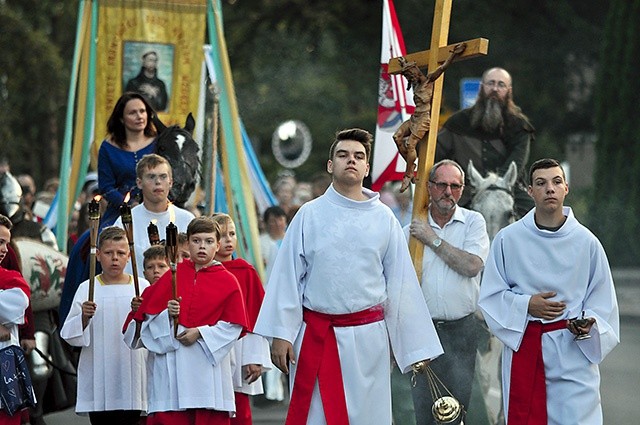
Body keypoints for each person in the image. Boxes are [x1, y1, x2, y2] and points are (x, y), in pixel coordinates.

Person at [253, 128, 443, 424]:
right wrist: (281, 333)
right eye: (342, 155)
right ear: (331, 165)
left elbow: (400, 282)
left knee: (369, 417)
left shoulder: (384, 218)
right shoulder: (308, 215)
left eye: (358, 156)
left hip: (369, 341)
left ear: (367, 167)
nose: (350, 161)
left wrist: (410, 343)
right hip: (316, 333)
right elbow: (288, 277)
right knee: (318, 416)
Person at [478, 158, 619, 425]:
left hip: (573, 354)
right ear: (530, 191)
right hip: (527, 348)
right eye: (541, 183)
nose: (549, 189)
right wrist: (526, 305)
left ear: (567, 188)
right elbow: (490, 296)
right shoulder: (509, 239)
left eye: (556, 182)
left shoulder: (587, 242)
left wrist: (589, 324)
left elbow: (603, 301)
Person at [131, 216, 248, 424]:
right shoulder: (171, 276)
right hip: (172, 373)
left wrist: (200, 333)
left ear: (217, 245)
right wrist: (167, 315)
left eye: (209, 241)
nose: (202, 246)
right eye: (196, 241)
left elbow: (234, 326)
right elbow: (144, 321)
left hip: (207, 373)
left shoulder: (228, 281)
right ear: (188, 243)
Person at [406, 159, 490, 424]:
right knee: (422, 409)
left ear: (462, 190)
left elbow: (472, 265)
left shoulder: (473, 222)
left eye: (455, 186)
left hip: (461, 332)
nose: (448, 192)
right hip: (422, 332)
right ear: (429, 187)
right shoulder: (410, 230)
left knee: (458, 409)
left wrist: (432, 239)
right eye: (441, 184)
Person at [60, 226, 149, 425]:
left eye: (120, 253)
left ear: (130, 256)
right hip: (98, 368)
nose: (115, 258)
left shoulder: (141, 287)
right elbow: (69, 332)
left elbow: (154, 330)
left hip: (131, 369)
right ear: (98, 255)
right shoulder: (88, 288)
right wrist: (83, 317)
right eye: (109, 253)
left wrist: (141, 312)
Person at [437, 67, 535, 217]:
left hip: (508, 188)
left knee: (537, 217)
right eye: (491, 83)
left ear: (509, 90)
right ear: (482, 87)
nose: (495, 89)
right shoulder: (459, 122)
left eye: (501, 85)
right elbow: (435, 154)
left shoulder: (519, 126)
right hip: (465, 191)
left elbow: (517, 160)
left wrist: (496, 184)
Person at [212, 213, 270, 425]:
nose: (228, 240)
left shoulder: (245, 272)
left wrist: (254, 357)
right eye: (221, 235)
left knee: (240, 410)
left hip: (239, 346)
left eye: (232, 234)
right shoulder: (203, 271)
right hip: (210, 347)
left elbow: (256, 316)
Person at [392, 43, 466, 192]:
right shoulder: (416, 85)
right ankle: (410, 164)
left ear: (417, 72)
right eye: (408, 76)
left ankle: (408, 175)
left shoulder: (428, 81)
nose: (410, 78)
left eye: (411, 74)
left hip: (424, 118)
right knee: (397, 137)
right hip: (414, 117)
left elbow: (442, 67)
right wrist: (403, 65)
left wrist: (453, 55)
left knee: (410, 144)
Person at [113, 154, 195, 275]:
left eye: (163, 177)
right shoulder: (125, 221)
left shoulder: (187, 220)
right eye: (151, 177)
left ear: (170, 182)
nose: (157, 182)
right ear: (139, 183)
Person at [98, 92, 158, 228]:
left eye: (142, 111)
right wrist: (130, 204)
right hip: (119, 213)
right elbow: (106, 187)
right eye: (132, 113)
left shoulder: (160, 143)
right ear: (121, 119)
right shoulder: (108, 147)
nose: (139, 116)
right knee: (98, 241)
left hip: (157, 210)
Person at [0, 214, 36, 425]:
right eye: (0, 242)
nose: (5, 249)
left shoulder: (11, 279)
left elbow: (18, 304)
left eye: (6, 242)